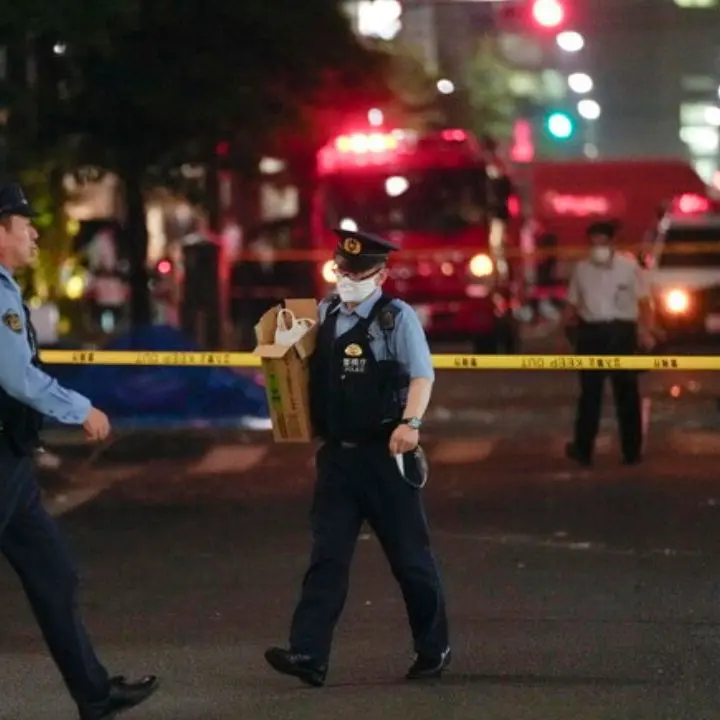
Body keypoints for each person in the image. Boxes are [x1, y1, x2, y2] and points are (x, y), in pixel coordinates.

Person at [264, 227, 450, 686]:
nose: (347, 278)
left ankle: (433, 647)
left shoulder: (396, 318)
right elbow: (290, 366)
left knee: (410, 561)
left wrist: (411, 424)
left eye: (358, 271)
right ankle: (308, 655)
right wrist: (281, 343)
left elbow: (422, 376)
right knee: (327, 558)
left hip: (386, 457)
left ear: (381, 274)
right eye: (341, 269)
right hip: (338, 461)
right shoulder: (324, 312)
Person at [0, 183, 158, 720]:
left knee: (54, 573)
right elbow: (16, 376)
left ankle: (94, 695)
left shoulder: (6, 289)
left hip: (11, 464)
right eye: (24, 225)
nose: (35, 234)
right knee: (52, 572)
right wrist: (79, 408)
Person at [561, 221, 656, 467]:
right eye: (593, 241)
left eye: (602, 241)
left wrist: (645, 331)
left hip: (621, 333)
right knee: (589, 395)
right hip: (591, 333)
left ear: (612, 242)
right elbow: (572, 304)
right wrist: (568, 329)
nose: (597, 247)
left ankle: (631, 451)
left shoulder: (629, 267)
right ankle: (583, 449)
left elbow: (645, 302)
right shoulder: (581, 269)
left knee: (626, 393)